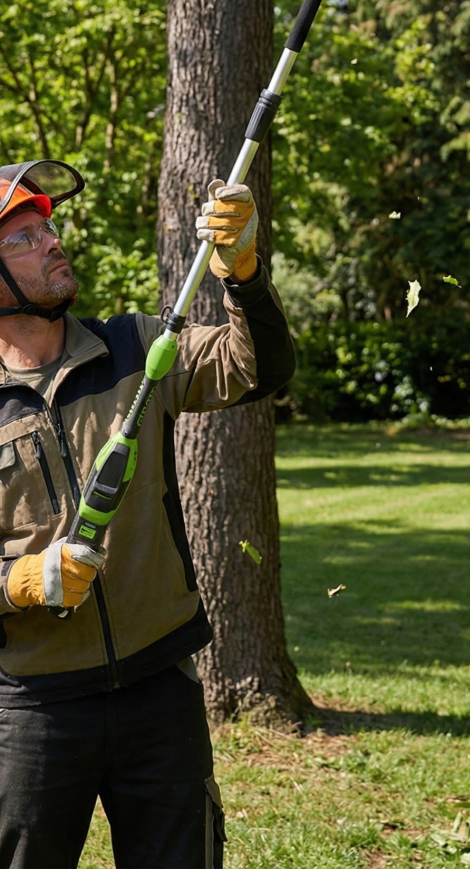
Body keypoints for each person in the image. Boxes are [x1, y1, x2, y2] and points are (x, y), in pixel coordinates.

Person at [0, 157, 295, 869]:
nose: (51, 242)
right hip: (32, 710)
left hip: (159, 692)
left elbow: (260, 366)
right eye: (22, 237)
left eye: (48, 226)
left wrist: (243, 271)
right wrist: (19, 580)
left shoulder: (135, 348)